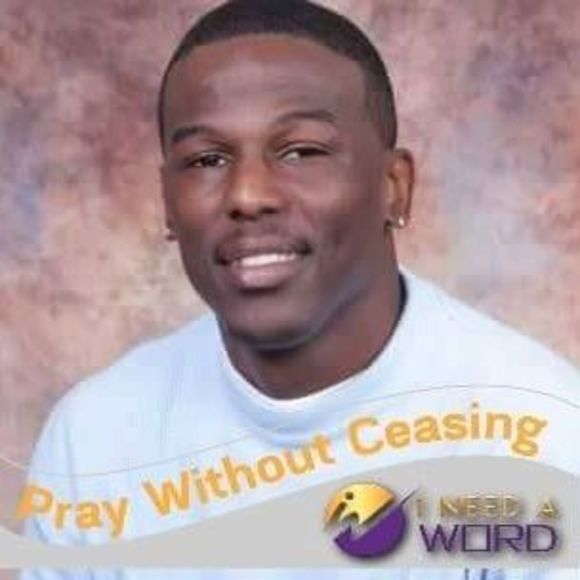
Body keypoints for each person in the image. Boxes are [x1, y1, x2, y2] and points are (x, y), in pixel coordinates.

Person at [22, 0, 580, 579]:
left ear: (393, 187)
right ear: (168, 204)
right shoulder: (94, 441)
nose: (248, 195)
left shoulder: (542, 439)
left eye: (301, 152)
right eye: (207, 159)